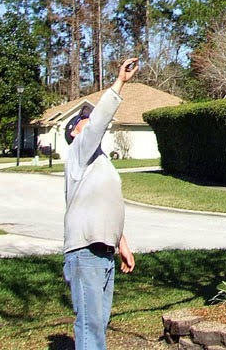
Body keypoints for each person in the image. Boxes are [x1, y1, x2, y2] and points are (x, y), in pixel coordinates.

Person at [63, 58, 139, 350]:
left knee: (98, 322)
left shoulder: (101, 162)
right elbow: (98, 124)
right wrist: (120, 83)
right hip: (85, 253)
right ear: (74, 131)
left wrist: (122, 244)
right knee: (90, 324)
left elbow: (106, 205)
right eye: (86, 120)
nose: (93, 123)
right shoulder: (79, 152)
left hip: (103, 252)